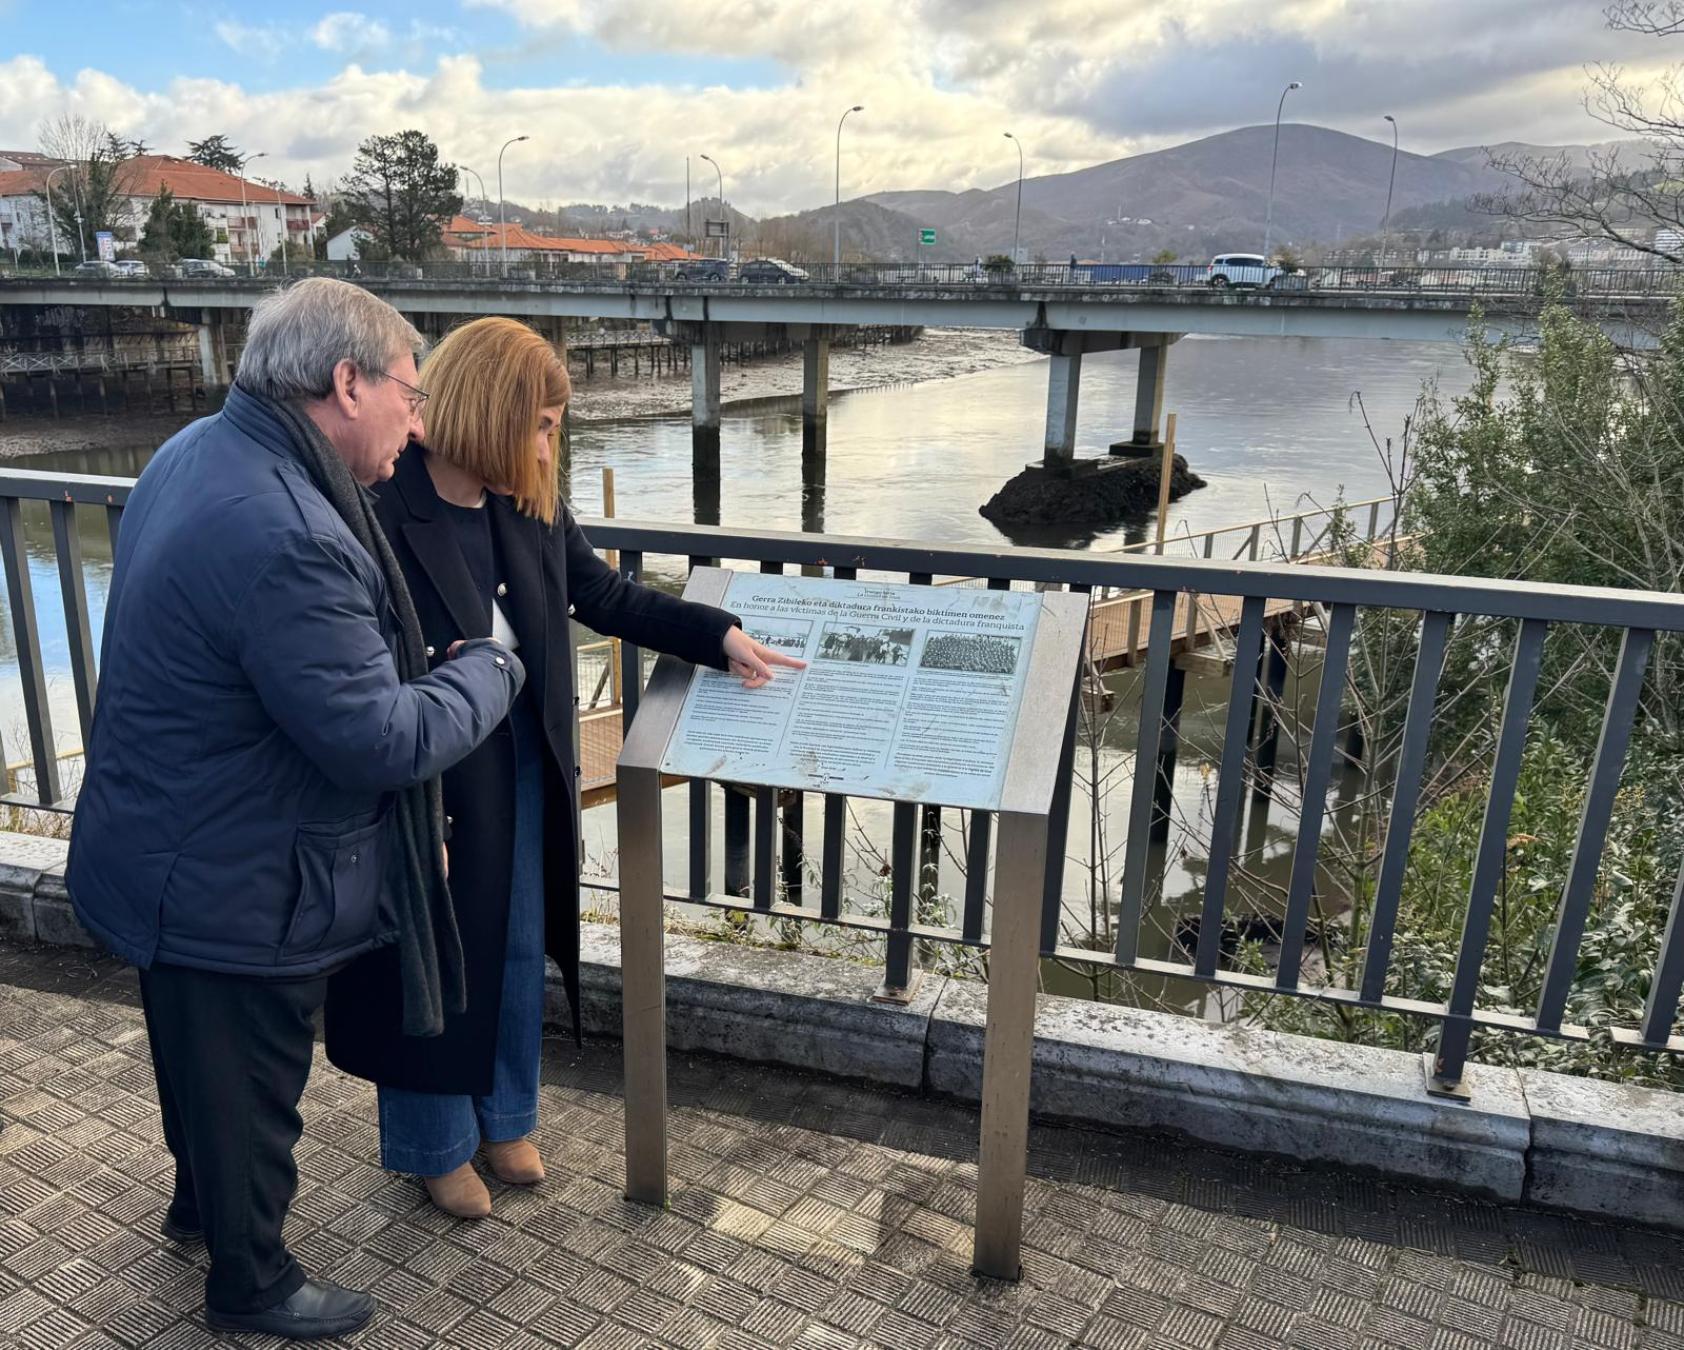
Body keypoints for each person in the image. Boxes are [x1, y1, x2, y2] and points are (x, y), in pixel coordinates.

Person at [66, 279, 526, 1340]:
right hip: (240, 866)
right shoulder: (291, 529)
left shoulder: (198, 453)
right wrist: (489, 673)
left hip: (163, 831)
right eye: (408, 396)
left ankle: (205, 1208)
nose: (417, 423)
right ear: (345, 380)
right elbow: (378, 740)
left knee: (196, 1057)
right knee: (251, 1085)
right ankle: (254, 1283)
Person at [324, 316, 801, 1219]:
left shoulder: (527, 501)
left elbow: (604, 592)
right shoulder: (386, 508)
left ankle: (505, 1118)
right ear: (494, 413)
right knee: (431, 961)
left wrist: (718, 633)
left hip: (523, 762)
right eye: (542, 424)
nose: (552, 442)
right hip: (429, 777)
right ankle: (435, 1145)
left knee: (514, 944)